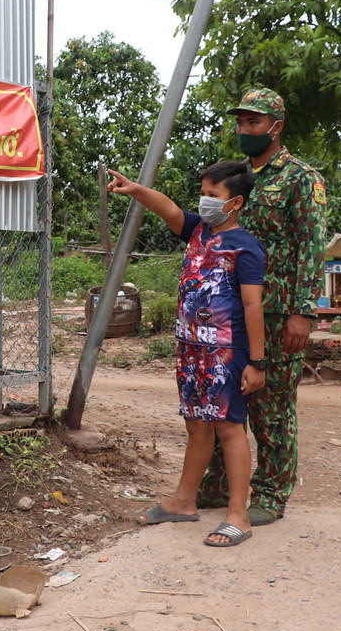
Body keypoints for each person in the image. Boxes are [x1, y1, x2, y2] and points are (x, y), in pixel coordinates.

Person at [108, 161, 266, 547]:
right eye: (204, 194)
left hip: (226, 353)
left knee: (230, 428)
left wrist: (257, 362)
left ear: (236, 203)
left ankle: (238, 516)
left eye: (214, 196)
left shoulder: (245, 248)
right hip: (191, 351)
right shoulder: (197, 231)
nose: (205, 202)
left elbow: (252, 307)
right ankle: (183, 501)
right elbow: (168, 208)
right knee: (196, 425)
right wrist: (135, 188)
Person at [197, 87, 327, 526]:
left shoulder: (299, 178)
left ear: (276, 126)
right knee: (223, 398)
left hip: (276, 310)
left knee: (271, 406)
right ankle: (217, 484)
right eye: (241, 122)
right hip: (227, 311)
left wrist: (303, 311)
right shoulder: (237, 178)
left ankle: (271, 493)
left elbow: (311, 246)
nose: (244, 129)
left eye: (253, 122)